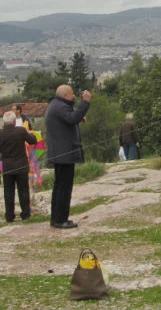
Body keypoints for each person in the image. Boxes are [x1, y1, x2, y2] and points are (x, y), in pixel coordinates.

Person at [44, 85, 91, 229]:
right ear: (65, 95)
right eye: (71, 94)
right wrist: (85, 102)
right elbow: (72, 119)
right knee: (64, 188)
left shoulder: (56, 105)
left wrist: (78, 117)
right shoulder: (61, 107)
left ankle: (56, 218)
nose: (73, 96)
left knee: (59, 187)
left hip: (60, 153)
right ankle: (60, 220)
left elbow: (70, 119)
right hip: (64, 154)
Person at [0, 111, 37, 222]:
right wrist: (31, 133)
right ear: (14, 121)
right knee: (23, 190)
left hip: (7, 166)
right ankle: (25, 213)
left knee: (8, 192)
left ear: (4, 122)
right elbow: (33, 141)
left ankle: (9, 215)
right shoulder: (21, 131)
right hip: (21, 165)